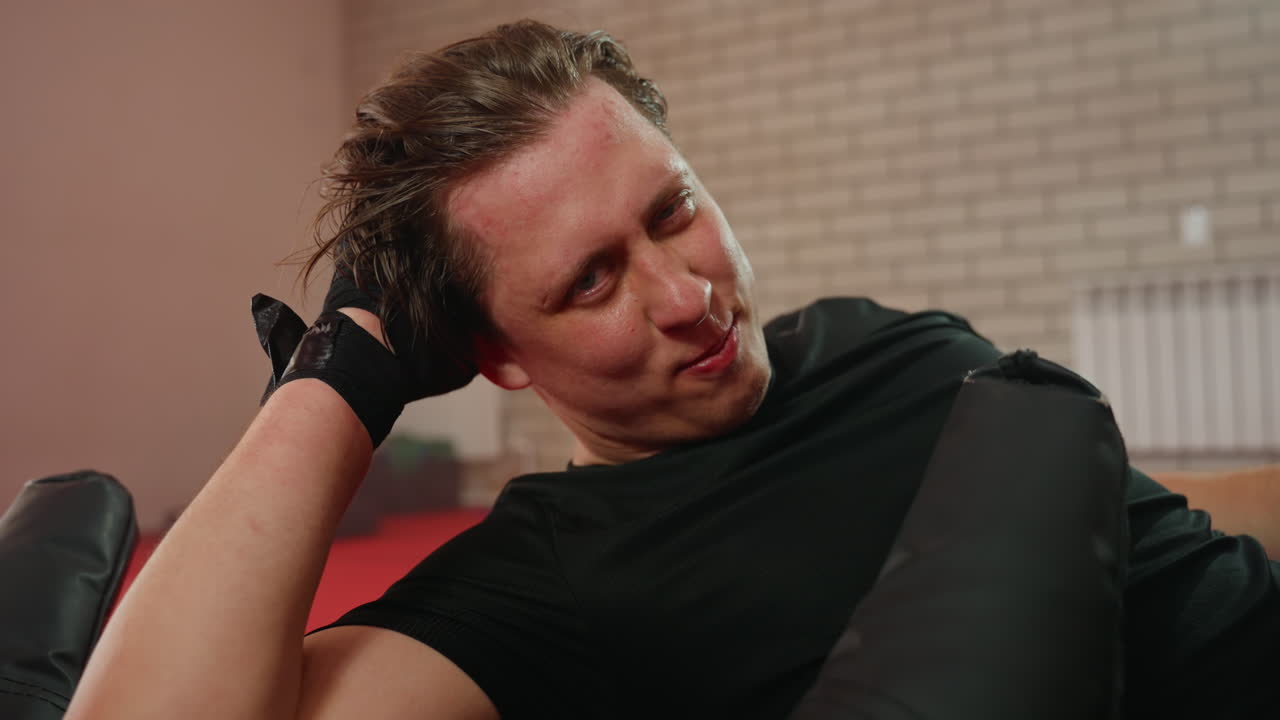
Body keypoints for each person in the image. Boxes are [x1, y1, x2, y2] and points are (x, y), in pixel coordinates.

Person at [67, 20, 1279, 720]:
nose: (688, 296)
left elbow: (1140, 526)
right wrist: (333, 385)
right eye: (587, 282)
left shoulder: (874, 341)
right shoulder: (541, 589)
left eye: (674, 209)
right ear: (492, 356)